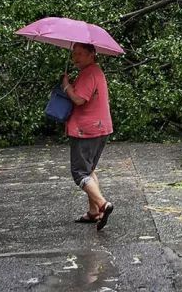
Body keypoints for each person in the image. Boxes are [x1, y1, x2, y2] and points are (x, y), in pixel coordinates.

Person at [61, 42, 115, 230]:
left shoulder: (89, 73)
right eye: (74, 54)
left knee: (80, 172)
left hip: (87, 130)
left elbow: (79, 99)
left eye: (81, 54)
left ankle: (102, 204)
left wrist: (67, 86)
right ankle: (93, 212)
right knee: (89, 168)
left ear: (92, 54)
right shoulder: (95, 72)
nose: (76, 58)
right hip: (100, 127)